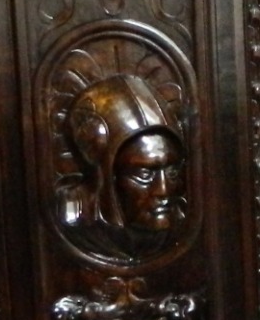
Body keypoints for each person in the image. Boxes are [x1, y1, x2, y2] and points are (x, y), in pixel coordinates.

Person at [58, 73, 187, 257]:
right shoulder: (74, 216)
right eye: (144, 174)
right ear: (107, 171)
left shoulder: (184, 226)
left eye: (172, 172)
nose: (163, 191)